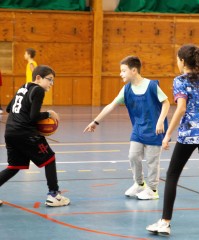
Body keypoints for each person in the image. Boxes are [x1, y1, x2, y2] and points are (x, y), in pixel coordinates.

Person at [146, 44, 199, 237]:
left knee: (172, 175)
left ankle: (165, 222)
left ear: (183, 61)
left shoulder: (180, 81)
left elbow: (181, 108)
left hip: (189, 135)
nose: (177, 62)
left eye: (177, 59)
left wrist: (168, 134)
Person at [84, 56, 170, 200]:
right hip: (138, 129)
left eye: (123, 71)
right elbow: (111, 105)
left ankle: (153, 190)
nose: (121, 74)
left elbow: (166, 103)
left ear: (134, 70)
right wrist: (95, 121)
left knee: (152, 161)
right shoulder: (126, 89)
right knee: (133, 155)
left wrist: (160, 121)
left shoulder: (152, 86)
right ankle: (139, 183)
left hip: (155, 130)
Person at [0, 65, 70, 207]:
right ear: (38, 78)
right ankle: (54, 195)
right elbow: (33, 117)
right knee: (50, 158)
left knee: (14, 166)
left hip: (10, 132)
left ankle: (54, 194)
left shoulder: (23, 87)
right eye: (49, 80)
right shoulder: (38, 90)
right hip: (25, 132)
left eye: (53, 81)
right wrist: (49, 113)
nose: (51, 83)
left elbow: (9, 108)